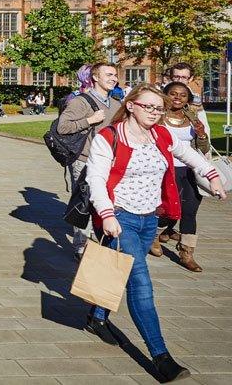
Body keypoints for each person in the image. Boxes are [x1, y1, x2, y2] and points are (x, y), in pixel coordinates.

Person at [85, 84, 224, 382]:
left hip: (150, 219)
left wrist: (212, 176)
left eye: (158, 108)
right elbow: (95, 179)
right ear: (131, 105)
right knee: (141, 283)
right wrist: (107, 215)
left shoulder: (162, 135)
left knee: (118, 272)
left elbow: (190, 154)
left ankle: (97, 317)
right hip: (119, 216)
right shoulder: (109, 138)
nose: (154, 112)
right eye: (148, 106)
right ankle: (161, 357)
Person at [56, 62, 121, 259]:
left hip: (110, 162)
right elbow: (62, 127)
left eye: (115, 75)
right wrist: (90, 120)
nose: (113, 78)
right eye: (108, 74)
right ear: (95, 77)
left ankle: (100, 240)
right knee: (84, 203)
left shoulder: (117, 103)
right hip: (84, 160)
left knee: (106, 201)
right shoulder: (81, 101)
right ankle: (81, 246)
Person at [152, 82, 212, 271]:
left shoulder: (192, 117)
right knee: (166, 209)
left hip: (190, 170)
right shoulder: (157, 116)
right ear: (166, 95)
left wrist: (201, 134)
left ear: (188, 99)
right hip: (165, 170)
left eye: (183, 95)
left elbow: (204, 148)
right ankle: (154, 235)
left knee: (190, 210)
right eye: (173, 93)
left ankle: (186, 253)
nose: (177, 97)